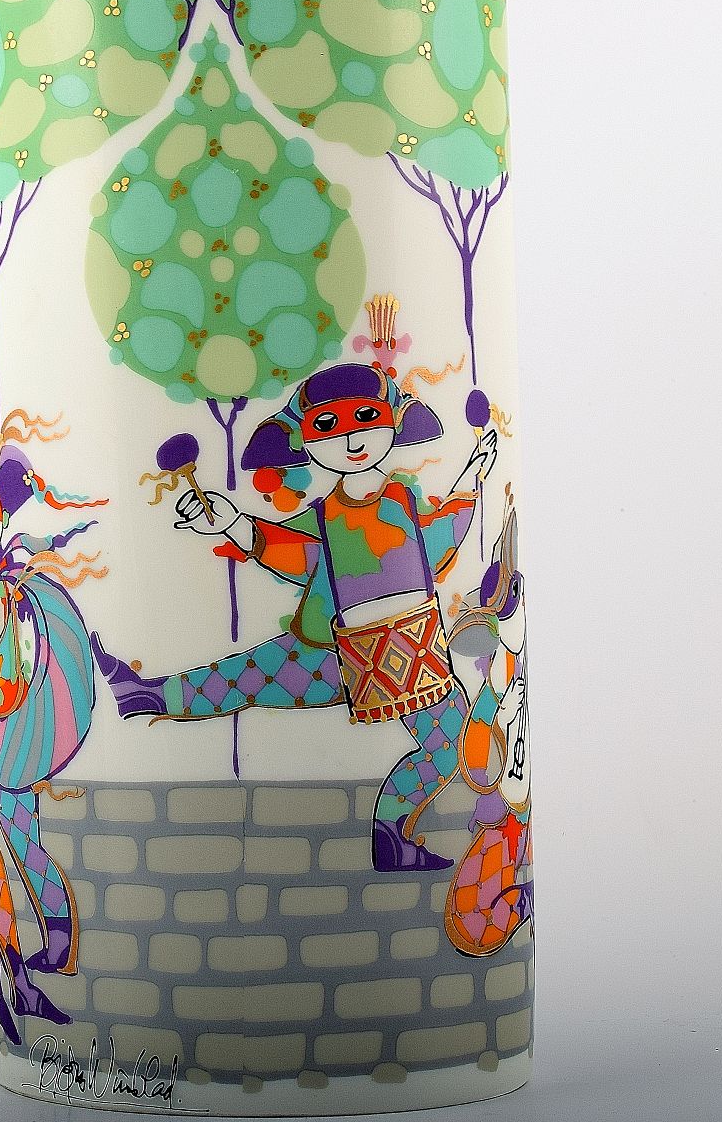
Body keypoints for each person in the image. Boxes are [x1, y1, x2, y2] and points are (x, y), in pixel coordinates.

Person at [93, 362, 497, 872]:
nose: (351, 438)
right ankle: (149, 695)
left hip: (411, 652)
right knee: (245, 679)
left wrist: (471, 480)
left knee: (449, 743)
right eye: (328, 426)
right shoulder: (325, 516)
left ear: (393, 421)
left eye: (366, 418)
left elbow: (438, 540)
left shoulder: (402, 499)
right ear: (306, 441)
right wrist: (235, 525)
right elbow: (295, 553)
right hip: (338, 652)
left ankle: (390, 836)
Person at [0, 438, 99, 1040]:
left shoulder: (9, 587)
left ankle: (47, 950)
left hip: (7, 740)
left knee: (18, 847)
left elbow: (8, 661)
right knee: (4, 852)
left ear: (4, 515)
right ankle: (21, 975)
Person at [444, 497, 534, 954]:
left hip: (515, 806)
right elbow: (477, 740)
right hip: (503, 807)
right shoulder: (497, 673)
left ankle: (515, 911)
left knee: (485, 901)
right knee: (474, 910)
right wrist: (499, 713)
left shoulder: (511, 660)